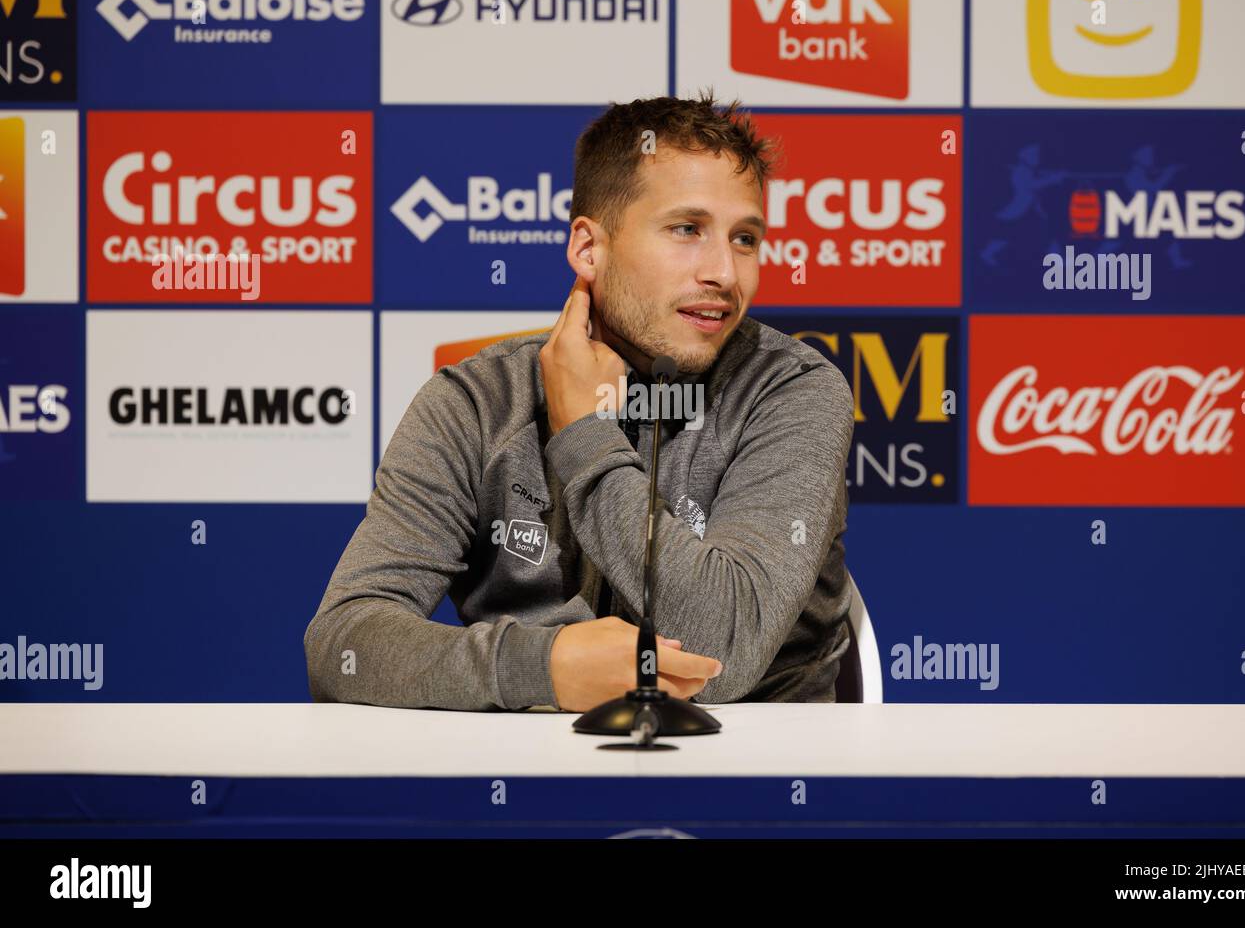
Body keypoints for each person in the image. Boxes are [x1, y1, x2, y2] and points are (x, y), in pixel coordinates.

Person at [304, 89, 855, 713]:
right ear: (588, 248)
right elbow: (343, 644)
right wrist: (544, 667)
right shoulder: (478, 402)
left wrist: (585, 434)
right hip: (528, 783)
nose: (725, 274)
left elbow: (716, 654)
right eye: (687, 230)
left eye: (746, 238)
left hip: (751, 783)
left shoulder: (792, 390)